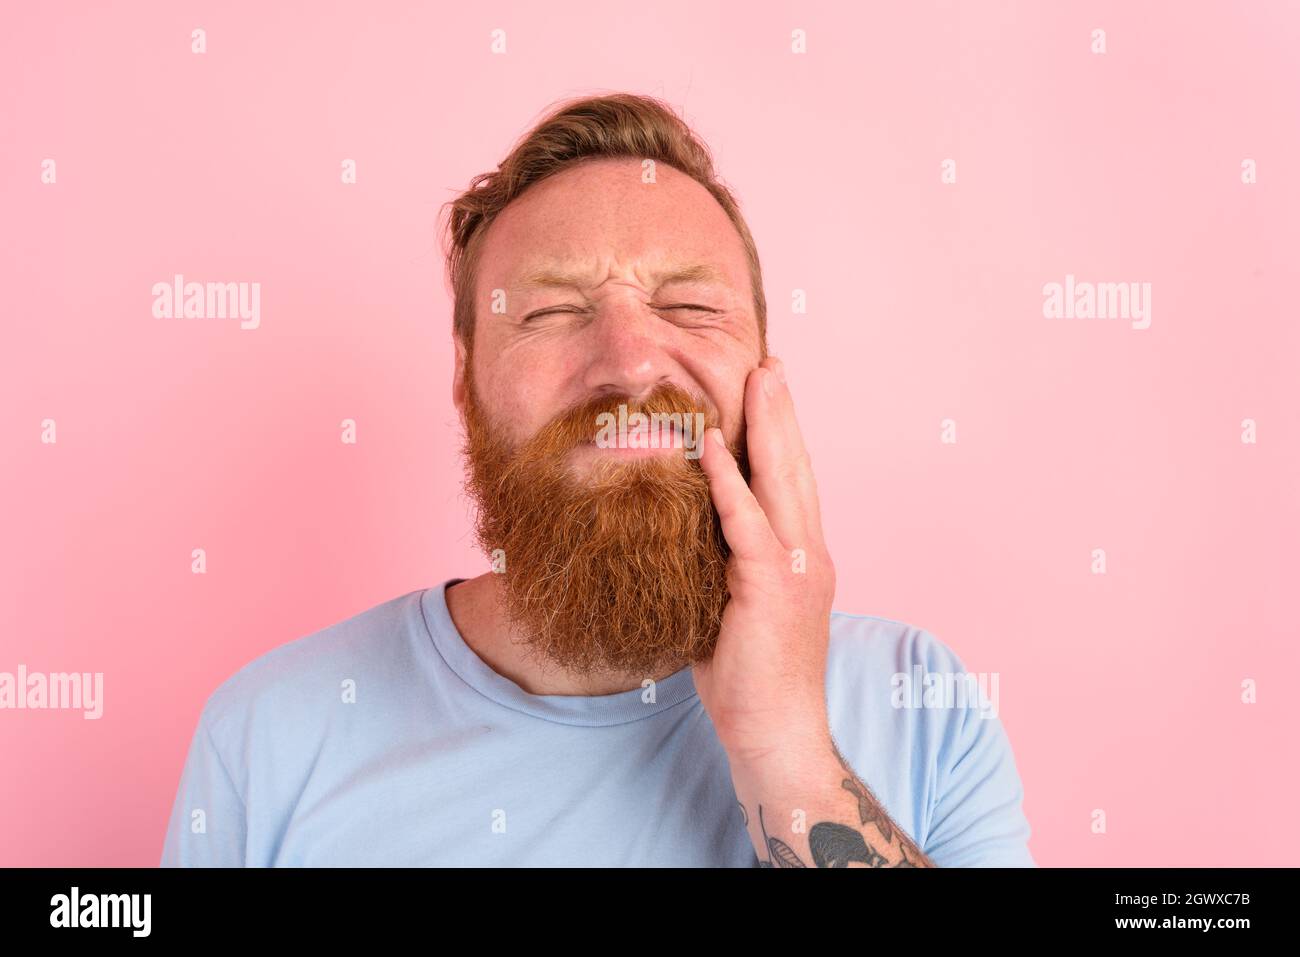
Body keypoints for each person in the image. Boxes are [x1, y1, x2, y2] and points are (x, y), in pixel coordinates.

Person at [161, 93, 1034, 868]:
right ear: (466, 381)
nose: (629, 363)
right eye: (549, 312)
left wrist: (787, 748)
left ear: (765, 371)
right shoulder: (266, 736)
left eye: (691, 306)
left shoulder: (924, 706)